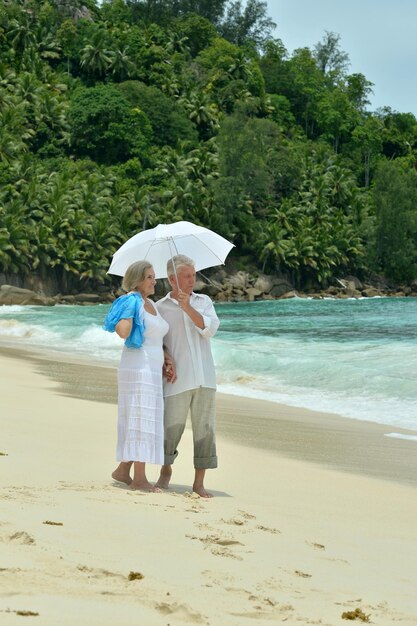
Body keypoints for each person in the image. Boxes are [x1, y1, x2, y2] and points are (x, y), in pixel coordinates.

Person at [155, 254, 220, 498]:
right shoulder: (160, 307)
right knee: (171, 428)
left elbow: (209, 330)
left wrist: (187, 308)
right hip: (177, 379)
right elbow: (156, 339)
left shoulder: (203, 301)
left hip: (205, 377)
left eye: (194, 275)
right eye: (187, 276)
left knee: (205, 430)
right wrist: (164, 356)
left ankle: (199, 483)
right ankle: (166, 470)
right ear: (172, 279)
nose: (192, 280)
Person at [103, 260, 170, 492]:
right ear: (138, 280)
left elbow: (155, 336)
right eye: (149, 277)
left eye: (154, 276)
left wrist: (166, 356)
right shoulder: (131, 301)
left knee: (143, 417)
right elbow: (123, 333)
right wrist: (128, 314)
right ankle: (139, 479)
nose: (154, 281)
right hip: (137, 366)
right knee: (141, 418)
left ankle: (123, 471)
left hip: (151, 367)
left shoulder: (150, 303)